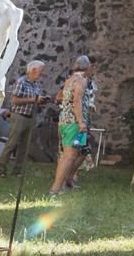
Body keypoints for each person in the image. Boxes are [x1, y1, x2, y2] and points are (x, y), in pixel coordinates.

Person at [48, 55, 95, 195]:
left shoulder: (69, 80)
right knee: (68, 156)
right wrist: (81, 122)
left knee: (78, 153)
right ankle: (55, 189)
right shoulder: (81, 81)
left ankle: (64, 184)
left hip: (65, 121)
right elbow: (77, 101)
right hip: (73, 123)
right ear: (87, 67)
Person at [0, 61, 47, 178]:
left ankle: (17, 171)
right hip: (19, 116)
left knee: (24, 147)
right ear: (33, 70)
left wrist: (41, 101)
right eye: (41, 71)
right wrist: (34, 99)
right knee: (12, 143)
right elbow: (15, 100)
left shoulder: (36, 85)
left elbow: (33, 100)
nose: (42, 74)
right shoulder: (21, 82)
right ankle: (1, 170)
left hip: (30, 117)